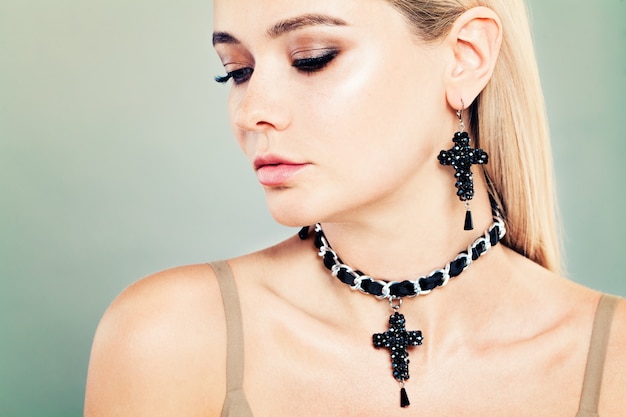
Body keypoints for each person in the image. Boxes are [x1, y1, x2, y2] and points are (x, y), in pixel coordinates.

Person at [84, 0, 626, 416]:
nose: (251, 112)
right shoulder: (169, 338)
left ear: (466, 58)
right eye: (237, 70)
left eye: (311, 58)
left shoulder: (613, 362)